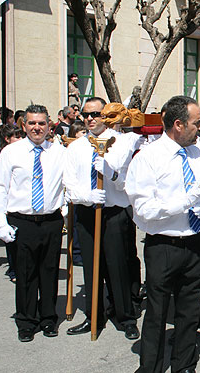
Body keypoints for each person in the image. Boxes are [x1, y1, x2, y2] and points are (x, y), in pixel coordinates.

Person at [126, 96, 200, 373]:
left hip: (195, 243)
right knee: (156, 311)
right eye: (196, 124)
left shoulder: (197, 154)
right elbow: (143, 209)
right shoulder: (148, 158)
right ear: (178, 124)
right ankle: (151, 367)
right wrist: (185, 201)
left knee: (189, 310)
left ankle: (184, 363)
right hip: (163, 245)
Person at [63, 97, 140, 339]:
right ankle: (93, 315)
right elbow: (69, 183)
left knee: (118, 267)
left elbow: (128, 180)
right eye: (86, 115)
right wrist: (86, 195)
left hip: (114, 212)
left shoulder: (121, 142)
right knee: (92, 266)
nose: (90, 119)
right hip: (88, 211)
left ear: (106, 116)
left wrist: (111, 173)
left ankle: (125, 316)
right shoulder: (75, 147)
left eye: (96, 114)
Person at [0, 105, 66, 342]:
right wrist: (0, 221)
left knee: (49, 271)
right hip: (21, 221)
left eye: (41, 123)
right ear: (24, 125)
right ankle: (26, 320)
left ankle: (48, 318)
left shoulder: (59, 152)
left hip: (50, 220)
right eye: (32, 123)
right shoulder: (11, 152)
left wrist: (64, 207)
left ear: (48, 125)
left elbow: (69, 183)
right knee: (25, 274)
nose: (37, 128)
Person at [0, 124, 26, 282]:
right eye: (16, 137)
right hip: (8, 205)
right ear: (7, 139)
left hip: (19, 203)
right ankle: (13, 269)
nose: (20, 139)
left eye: (20, 136)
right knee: (12, 242)